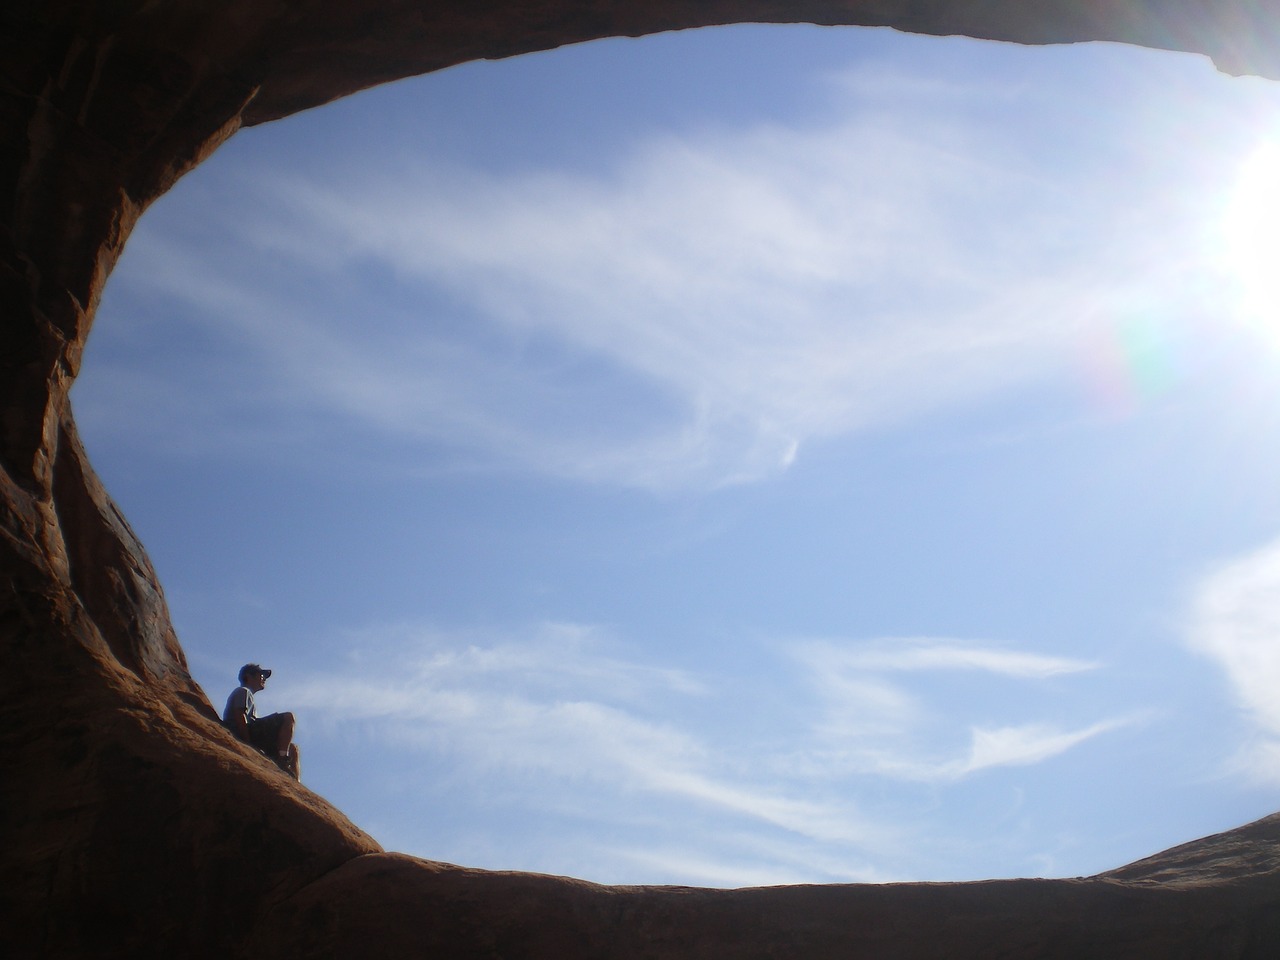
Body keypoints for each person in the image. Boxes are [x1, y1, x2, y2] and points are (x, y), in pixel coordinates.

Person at [223, 663, 300, 780]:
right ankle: (282, 759)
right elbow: (239, 714)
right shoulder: (243, 691)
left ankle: (295, 783)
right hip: (243, 732)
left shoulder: (247, 694)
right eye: (261, 674)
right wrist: (247, 742)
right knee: (289, 717)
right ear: (249, 677)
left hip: (252, 733)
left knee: (293, 749)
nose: (263, 678)